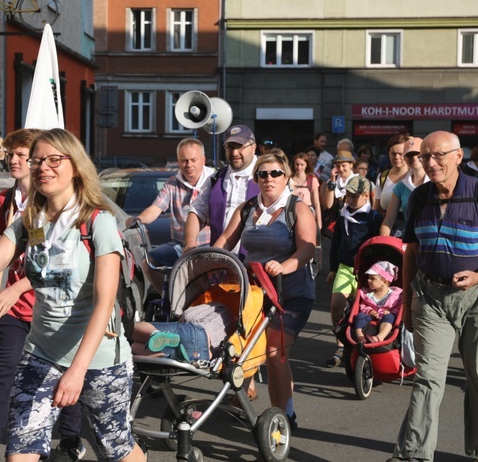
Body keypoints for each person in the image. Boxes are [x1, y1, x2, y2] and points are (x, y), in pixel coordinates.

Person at [0, 129, 144, 462]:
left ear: (76, 166)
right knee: (20, 453)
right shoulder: (30, 222)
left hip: (98, 359)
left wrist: (77, 370)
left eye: (54, 159)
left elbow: (105, 302)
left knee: (116, 449)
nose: (43, 167)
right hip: (41, 353)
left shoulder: (97, 222)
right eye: (37, 160)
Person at [389, 132, 478, 462]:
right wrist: (405, 303)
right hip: (430, 296)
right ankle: (413, 455)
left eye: (439, 155)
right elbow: (411, 252)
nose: (431, 163)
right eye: (425, 157)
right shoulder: (419, 197)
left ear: (458, 156)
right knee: (427, 379)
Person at [213, 149, 316, 429]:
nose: (269, 179)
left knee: (274, 352)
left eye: (275, 173)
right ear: (256, 178)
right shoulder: (247, 209)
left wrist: (286, 265)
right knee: (246, 349)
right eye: (263, 174)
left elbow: (308, 247)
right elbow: (224, 240)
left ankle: (278, 419)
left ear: (286, 178)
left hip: (291, 294)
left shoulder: (297, 208)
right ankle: (282, 411)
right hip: (255, 294)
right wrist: (208, 260)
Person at [127, 138, 213, 290]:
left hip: (208, 246)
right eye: (184, 161)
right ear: (178, 162)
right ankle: (170, 302)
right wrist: (138, 219)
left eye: (193, 160)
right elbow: (155, 209)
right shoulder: (172, 183)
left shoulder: (214, 181)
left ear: (203, 160)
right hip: (179, 245)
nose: (189, 165)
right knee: (148, 263)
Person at [325, 175, 382, 367]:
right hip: (345, 267)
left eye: (354, 196)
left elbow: (378, 244)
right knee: (336, 305)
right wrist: (333, 267)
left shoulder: (374, 218)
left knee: (363, 309)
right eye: (348, 195)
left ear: (367, 195)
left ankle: (361, 344)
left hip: (366, 271)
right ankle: (339, 344)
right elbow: (336, 242)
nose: (350, 199)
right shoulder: (343, 214)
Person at [184, 125, 259, 257]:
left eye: (240, 146)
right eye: (230, 147)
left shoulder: (268, 175)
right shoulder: (215, 178)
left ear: (253, 147)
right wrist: (190, 243)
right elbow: (196, 212)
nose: (235, 153)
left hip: (256, 263)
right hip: (221, 261)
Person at [131, 302, 237, 362]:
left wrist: (180, 317)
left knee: (131, 330)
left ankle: (156, 334)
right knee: (134, 348)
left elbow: (188, 315)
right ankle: (170, 357)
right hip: (204, 357)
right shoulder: (237, 333)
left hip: (195, 333)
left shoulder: (221, 308)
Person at [379, 137, 427, 238]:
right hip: (410, 240)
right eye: (409, 155)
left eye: (417, 154)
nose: (414, 158)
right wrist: (384, 239)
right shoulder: (401, 186)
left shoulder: (435, 181)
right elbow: (389, 219)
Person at [352, 261, 402, 343]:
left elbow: (399, 308)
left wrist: (391, 312)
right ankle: (360, 336)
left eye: (372, 278)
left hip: (386, 319)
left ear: (384, 281)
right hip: (370, 317)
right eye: (368, 277)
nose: (368, 280)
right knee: (360, 316)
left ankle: (379, 337)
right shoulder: (368, 295)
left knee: (390, 317)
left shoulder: (395, 296)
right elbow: (363, 306)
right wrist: (369, 311)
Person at [375, 134, 411, 215]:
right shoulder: (382, 177)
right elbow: (377, 209)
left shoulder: (415, 175)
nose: (397, 157)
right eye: (393, 153)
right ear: (388, 153)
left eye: (400, 153)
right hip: (387, 225)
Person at [290, 152, 322, 231]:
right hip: (291, 212)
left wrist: (319, 222)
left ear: (306, 165)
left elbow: (316, 202)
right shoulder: (288, 179)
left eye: (302, 165)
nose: (299, 167)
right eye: (297, 164)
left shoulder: (312, 180)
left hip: (307, 212)